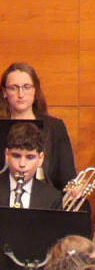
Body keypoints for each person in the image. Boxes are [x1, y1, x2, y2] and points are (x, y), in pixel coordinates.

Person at [0, 62, 76, 190]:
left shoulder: (55, 127)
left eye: (27, 87)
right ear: (4, 92)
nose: (21, 94)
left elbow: (67, 176)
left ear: (35, 90)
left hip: (45, 200)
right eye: (13, 88)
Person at [2, 121, 61, 209]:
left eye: (30, 157)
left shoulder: (52, 197)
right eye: (16, 156)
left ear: (40, 159)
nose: (22, 164)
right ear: (7, 155)